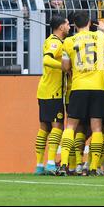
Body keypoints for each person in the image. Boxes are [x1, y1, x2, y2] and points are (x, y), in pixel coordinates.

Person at [58, 10, 104, 176]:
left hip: (78, 87)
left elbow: (65, 67)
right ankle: (92, 167)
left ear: (74, 25)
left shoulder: (68, 41)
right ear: (90, 22)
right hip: (98, 87)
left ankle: (63, 165)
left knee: (71, 126)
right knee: (97, 128)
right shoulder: (99, 37)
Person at [35, 14, 71, 175]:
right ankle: (50, 163)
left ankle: (39, 165)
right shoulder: (55, 42)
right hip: (53, 91)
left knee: (44, 127)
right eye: (68, 24)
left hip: (45, 89)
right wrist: (63, 67)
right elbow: (47, 60)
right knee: (57, 126)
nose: (69, 27)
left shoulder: (53, 40)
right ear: (61, 27)